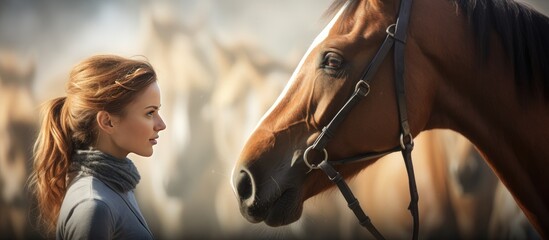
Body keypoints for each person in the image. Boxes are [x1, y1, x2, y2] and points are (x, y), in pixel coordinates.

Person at [28, 54, 166, 239]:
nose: (161, 124)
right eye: (150, 113)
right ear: (107, 122)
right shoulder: (93, 206)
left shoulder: (117, 187)